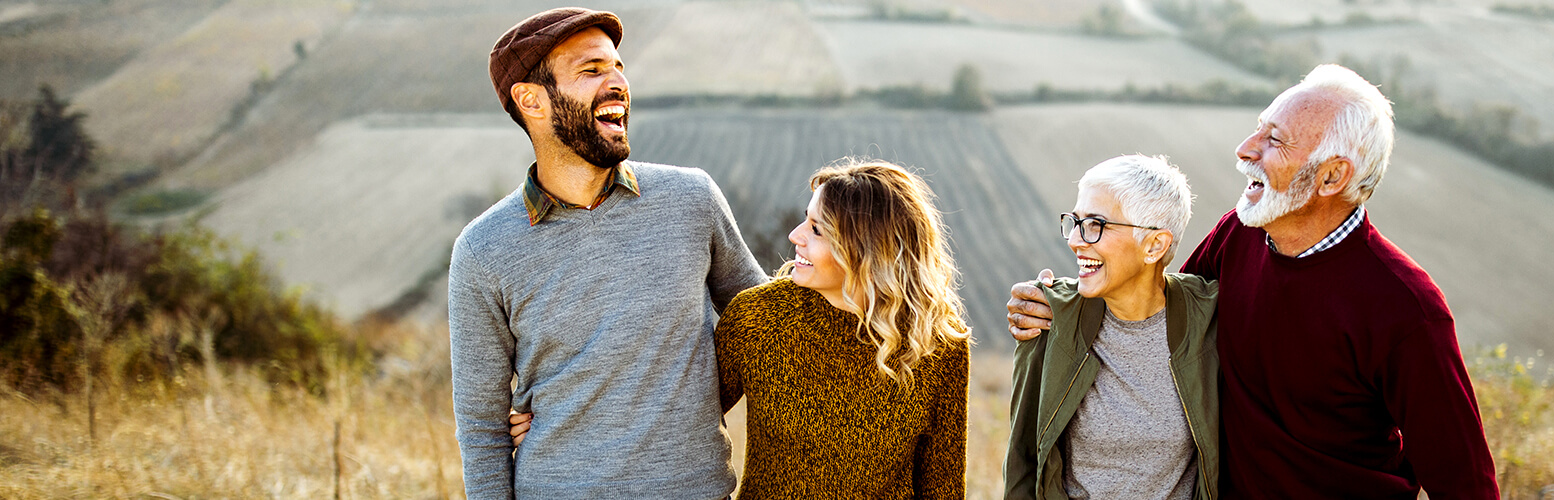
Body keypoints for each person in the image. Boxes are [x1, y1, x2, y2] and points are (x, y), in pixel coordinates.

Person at [1007, 65, 1500, 498]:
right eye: (1257, 129)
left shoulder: (1406, 308)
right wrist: (1059, 306)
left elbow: (1465, 483)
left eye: (1275, 140)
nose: (1245, 149)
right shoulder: (1236, 238)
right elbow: (1156, 306)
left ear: (1331, 177)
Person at [449, 8, 767, 499]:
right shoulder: (483, 249)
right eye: (592, 70)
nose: (618, 82)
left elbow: (770, 323)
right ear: (531, 100)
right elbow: (481, 430)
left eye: (618, 66)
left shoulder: (692, 199)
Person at [512, 161, 971, 498]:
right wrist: (561, 419)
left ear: (866, 249)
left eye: (816, 229)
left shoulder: (940, 346)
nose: (795, 236)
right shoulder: (761, 318)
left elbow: (943, 485)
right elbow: (677, 409)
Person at [1006, 155, 1221, 500]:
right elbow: (1023, 460)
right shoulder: (1050, 316)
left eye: (1095, 225)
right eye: (1074, 222)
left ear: (1154, 245)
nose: (1075, 240)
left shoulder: (1209, 320)